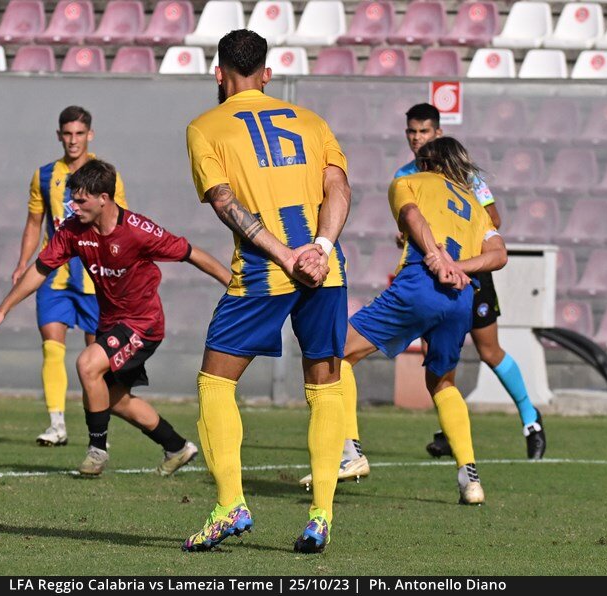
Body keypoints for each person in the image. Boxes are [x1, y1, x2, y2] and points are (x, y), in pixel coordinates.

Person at [181, 29, 351, 555]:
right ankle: (320, 516)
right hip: (327, 271)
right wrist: (318, 249)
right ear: (268, 74)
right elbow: (339, 188)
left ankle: (231, 503)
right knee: (324, 387)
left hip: (263, 272)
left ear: (218, 74)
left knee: (215, 382)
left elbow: (224, 202)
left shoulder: (204, 127)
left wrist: (285, 256)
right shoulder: (311, 120)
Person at [0, 159, 232, 477]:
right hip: (111, 322)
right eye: (72, 198)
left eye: (80, 199)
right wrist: (2, 309)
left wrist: (233, 285)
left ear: (104, 198)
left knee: (87, 364)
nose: (73, 205)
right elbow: (41, 269)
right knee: (114, 399)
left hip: (143, 323)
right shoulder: (74, 231)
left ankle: (97, 451)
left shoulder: (138, 231)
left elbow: (192, 253)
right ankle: (176, 446)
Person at [321, 136, 507, 506]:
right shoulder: (474, 205)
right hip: (462, 298)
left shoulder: (408, 182)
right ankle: (470, 479)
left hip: (422, 282)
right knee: (442, 382)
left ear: (425, 163)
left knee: (336, 351)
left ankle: (350, 452)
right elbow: (499, 254)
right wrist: (459, 266)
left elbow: (412, 216)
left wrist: (438, 257)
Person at [399, 104, 547, 460]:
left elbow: (494, 217)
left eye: (424, 132)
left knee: (489, 350)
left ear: (438, 133)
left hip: (472, 273)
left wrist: (457, 234)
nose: (417, 138)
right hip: (433, 276)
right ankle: (451, 432)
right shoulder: (405, 174)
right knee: (440, 358)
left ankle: (531, 418)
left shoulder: (463, 174)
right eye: (412, 132)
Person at [14, 106, 128, 448]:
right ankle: (56, 424)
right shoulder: (45, 175)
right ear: (59, 135)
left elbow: (118, 221)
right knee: (52, 347)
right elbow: (35, 223)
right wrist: (23, 263)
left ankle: (98, 435)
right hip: (55, 276)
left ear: (89, 135)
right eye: (67, 134)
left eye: (79, 133)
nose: (73, 140)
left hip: (96, 278)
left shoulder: (107, 176)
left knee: (94, 360)